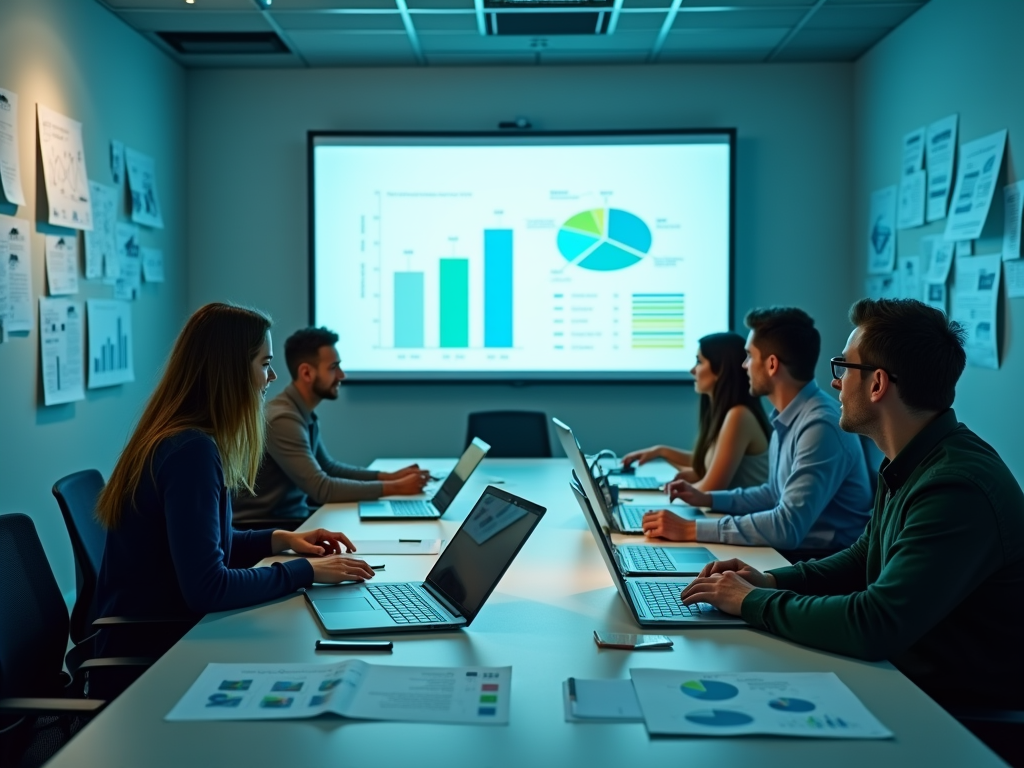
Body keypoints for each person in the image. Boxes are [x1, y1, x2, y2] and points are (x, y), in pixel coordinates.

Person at [679, 298, 1024, 710]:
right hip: (909, 682)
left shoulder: (956, 487)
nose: (836, 383)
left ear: (877, 384)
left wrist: (750, 601)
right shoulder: (910, 459)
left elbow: (874, 624)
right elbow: (864, 558)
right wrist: (769, 582)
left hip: (958, 716)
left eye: (844, 368)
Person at [95, 304, 375, 651]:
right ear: (231, 370)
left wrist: (282, 538)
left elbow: (211, 544)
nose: (271, 378)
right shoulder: (190, 452)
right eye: (265, 364)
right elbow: (208, 587)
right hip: (153, 653)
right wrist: (307, 571)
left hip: (165, 632)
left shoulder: (181, 437)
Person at [642, 307, 872, 554]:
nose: (744, 366)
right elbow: (772, 493)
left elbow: (787, 527)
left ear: (772, 364)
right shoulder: (790, 416)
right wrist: (707, 499)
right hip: (794, 556)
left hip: (822, 567)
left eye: (749, 356)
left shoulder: (820, 425)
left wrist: (690, 529)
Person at [233, 327, 429, 523]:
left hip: (291, 521)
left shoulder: (298, 411)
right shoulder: (283, 419)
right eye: (334, 367)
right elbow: (322, 488)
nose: (342, 375)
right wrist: (396, 487)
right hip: (268, 528)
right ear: (307, 373)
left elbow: (328, 467)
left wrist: (389, 477)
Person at [622, 332, 771, 492]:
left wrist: (673, 490)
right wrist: (661, 451)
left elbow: (711, 488)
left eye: (699, 361)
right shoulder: (728, 413)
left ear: (720, 369)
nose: (692, 370)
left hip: (741, 516)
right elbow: (709, 461)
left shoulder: (739, 416)